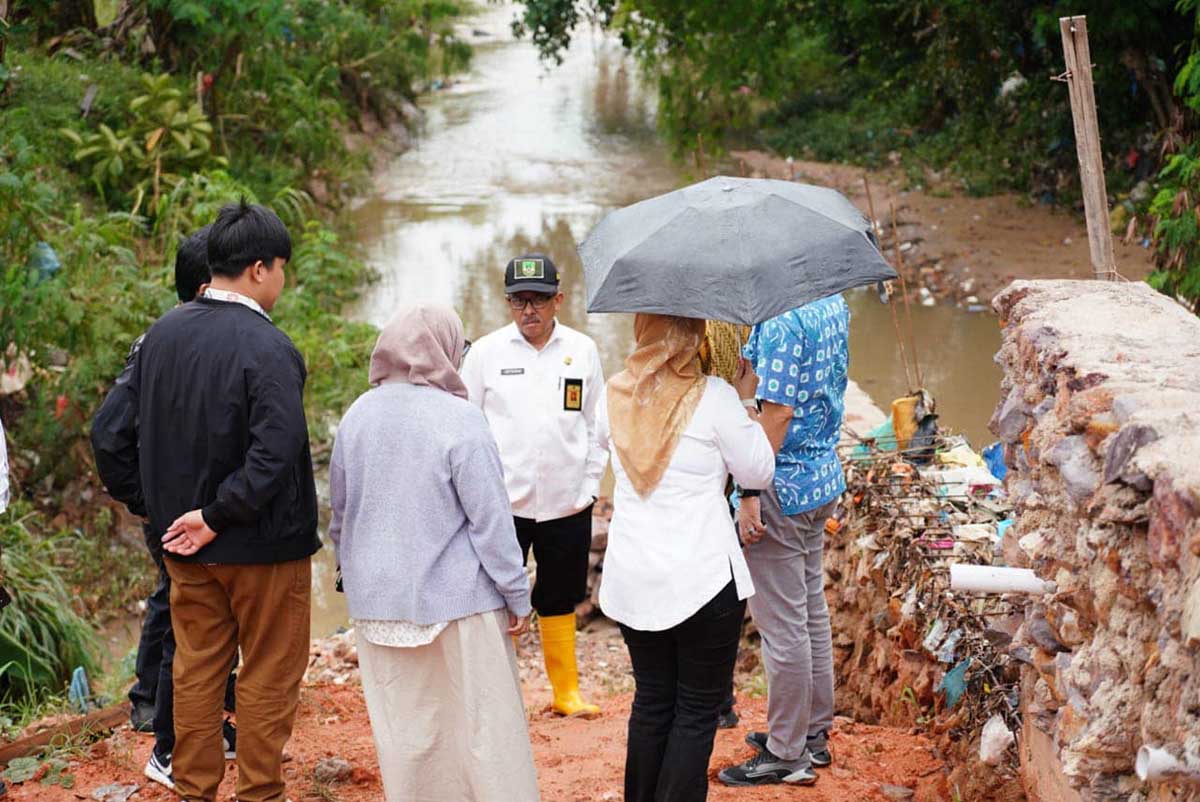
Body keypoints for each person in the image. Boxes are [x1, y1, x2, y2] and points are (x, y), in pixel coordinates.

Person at [131, 200, 319, 802]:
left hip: (185, 544)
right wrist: (219, 515)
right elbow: (278, 448)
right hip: (259, 547)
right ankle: (259, 792)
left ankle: (193, 789)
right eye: (283, 269)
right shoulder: (267, 346)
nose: (283, 282)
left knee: (195, 668)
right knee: (268, 671)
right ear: (261, 268)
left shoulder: (161, 335)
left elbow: (136, 434)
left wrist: (170, 513)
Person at [329, 304, 539, 802]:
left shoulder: (356, 416)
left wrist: (358, 582)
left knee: (408, 737)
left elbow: (340, 517)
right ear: (443, 351)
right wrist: (516, 595)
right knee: (487, 735)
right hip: (459, 606)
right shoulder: (460, 419)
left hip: (378, 609)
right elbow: (491, 522)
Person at [596, 314, 774, 802]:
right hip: (703, 578)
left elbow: (593, 450)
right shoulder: (713, 394)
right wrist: (744, 399)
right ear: (693, 337)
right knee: (696, 709)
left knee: (652, 701)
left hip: (634, 576)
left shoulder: (614, 392)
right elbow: (758, 467)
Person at [90, 228, 238, 782]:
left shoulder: (192, 338)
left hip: (198, 509)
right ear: (208, 285)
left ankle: (163, 706)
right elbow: (109, 434)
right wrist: (146, 502)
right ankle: (169, 731)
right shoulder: (164, 343)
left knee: (178, 604)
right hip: (180, 511)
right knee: (191, 618)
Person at [461, 253, 605, 718]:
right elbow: (464, 428)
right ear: (506, 304)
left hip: (567, 505)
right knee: (492, 599)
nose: (530, 311)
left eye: (539, 300)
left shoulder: (582, 350)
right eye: (520, 301)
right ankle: (496, 699)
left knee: (559, 597)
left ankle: (565, 693)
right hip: (503, 506)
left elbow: (597, 426)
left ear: (559, 299)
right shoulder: (484, 354)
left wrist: (588, 487)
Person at [718, 293, 851, 788]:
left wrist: (749, 489)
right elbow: (753, 375)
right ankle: (812, 734)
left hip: (783, 488)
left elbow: (776, 415)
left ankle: (785, 752)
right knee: (810, 611)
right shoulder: (830, 302)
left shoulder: (780, 320)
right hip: (821, 478)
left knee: (783, 626)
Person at [698, 319, 753, 731]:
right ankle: (719, 698)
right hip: (726, 457)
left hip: (711, 461)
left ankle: (716, 697)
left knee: (717, 585)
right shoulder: (743, 320)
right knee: (723, 585)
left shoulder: (693, 323)